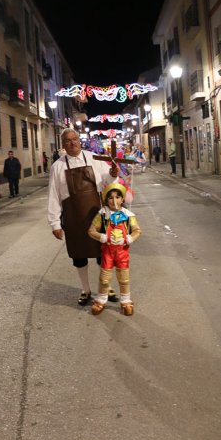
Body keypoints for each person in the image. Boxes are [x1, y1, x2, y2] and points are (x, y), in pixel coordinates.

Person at [47, 128, 119, 306]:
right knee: (79, 256)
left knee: (103, 254)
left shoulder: (94, 158)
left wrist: (113, 174)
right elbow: (54, 196)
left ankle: (106, 286)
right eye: (68, 141)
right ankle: (86, 290)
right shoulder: (57, 167)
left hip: (97, 214)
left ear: (79, 140)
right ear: (63, 145)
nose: (72, 143)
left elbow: (108, 182)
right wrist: (55, 223)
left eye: (75, 139)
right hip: (73, 217)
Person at [88, 182, 142, 316]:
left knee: (124, 278)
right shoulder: (102, 215)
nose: (114, 201)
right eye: (110, 198)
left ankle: (125, 301)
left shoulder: (129, 215)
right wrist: (102, 237)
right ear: (106, 200)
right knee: (105, 279)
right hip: (107, 252)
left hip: (122, 252)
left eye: (117, 197)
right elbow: (91, 230)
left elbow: (137, 231)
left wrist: (129, 238)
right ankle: (101, 300)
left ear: (123, 199)